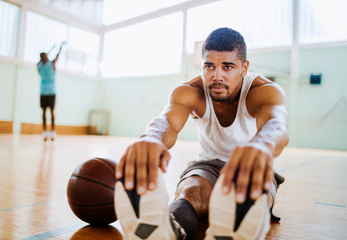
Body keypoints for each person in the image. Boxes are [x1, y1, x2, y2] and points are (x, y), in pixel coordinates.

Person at [114, 27, 289, 240]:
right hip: (207, 165)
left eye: (227, 67)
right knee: (191, 192)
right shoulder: (189, 91)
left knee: (248, 199)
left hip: (252, 163)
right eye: (209, 66)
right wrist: (151, 138)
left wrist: (262, 145)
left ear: (244, 68)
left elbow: (277, 125)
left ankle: (235, 225)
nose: (217, 76)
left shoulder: (264, 90)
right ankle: (169, 230)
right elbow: (166, 122)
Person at [37, 42, 65, 141]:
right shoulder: (40, 65)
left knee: (52, 112)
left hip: (52, 92)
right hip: (43, 92)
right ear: (43, 58)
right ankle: (45, 132)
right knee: (44, 112)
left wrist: (60, 47)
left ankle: (52, 132)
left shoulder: (50, 63)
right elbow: (49, 56)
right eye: (45, 56)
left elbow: (58, 54)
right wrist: (57, 47)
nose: (47, 57)